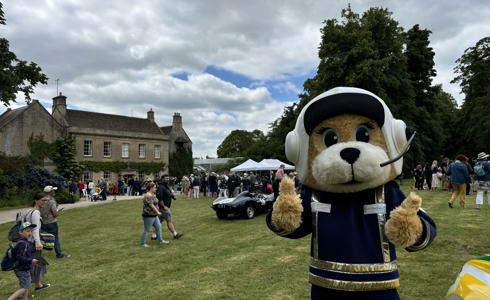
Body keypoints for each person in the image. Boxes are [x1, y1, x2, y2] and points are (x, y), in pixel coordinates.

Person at [25, 192, 51, 293]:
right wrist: (38, 242)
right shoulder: (35, 213)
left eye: (46, 200)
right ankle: (35, 286)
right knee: (37, 263)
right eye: (42, 200)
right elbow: (35, 229)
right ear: (36, 201)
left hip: (29, 241)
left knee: (37, 263)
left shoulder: (29, 211)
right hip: (33, 242)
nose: (45, 202)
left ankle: (38, 284)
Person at [7, 222, 38, 300]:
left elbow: (28, 251)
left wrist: (35, 248)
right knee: (24, 287)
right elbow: (19, 257)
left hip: (24, 268)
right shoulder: (22, 243)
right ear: (20, 232)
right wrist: (30, 260)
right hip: (21, 269)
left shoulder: (26, 242)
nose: (30, 232)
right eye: (27, 231)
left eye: (31, 230)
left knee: (26, 285)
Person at [40, 185, 68, 259]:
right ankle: (59, 254)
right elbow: (55, 214)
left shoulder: (41, 200)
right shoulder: (51, 201)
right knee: (55, 238)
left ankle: (37, 253)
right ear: (50, 192)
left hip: (43, 222)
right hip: (51, 222)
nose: (54, 192)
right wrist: (58, 212)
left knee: (42, 238)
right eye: (53, 191)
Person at [140, 182, 168, 247]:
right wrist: (157, 212)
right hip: (148, 215)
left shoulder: (152, 194)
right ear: (151, 188)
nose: (156, 189)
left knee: (158, 227)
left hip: (154, 215)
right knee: (146, 229)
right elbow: (151, 205)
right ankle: (143, 243)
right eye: (155, 187)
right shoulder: (148, 195)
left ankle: (161, 241)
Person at [155, 175, 184, 240]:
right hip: (163, 208)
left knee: (158, 221)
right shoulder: (161, 187)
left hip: (163, 207)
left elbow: (168, 193)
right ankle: (175, 234)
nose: (168, 179)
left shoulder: (165, 186)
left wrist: (172, 196)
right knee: (169, 221)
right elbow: (159, 198)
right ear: (162, 179)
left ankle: (154, 235)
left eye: (168, 178)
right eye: (166, 178)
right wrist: (164, 206)